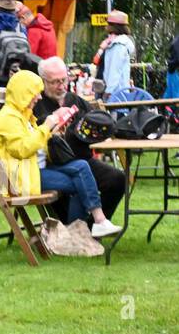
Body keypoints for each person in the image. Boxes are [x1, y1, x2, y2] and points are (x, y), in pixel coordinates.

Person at [0, 70, 122, 238]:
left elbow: (33, 143)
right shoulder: (8, 118)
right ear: (23, 94)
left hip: (33, 170)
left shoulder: (21, 115)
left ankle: (94, 223)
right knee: (79, 181)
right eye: (35, 94)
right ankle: (82, 231)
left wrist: (53, 132)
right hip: (18, 177)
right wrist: (46, 126)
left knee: (81, 166)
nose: (39, 98)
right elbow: (22, 149)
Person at [32, 56, 125, 222]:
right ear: (43, 81)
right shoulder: (35, 103)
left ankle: (92, 227)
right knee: (73, 183)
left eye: (64, 80)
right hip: (53, 165)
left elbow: (97, 121)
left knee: (117, 179)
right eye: (55, 82)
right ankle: (80, 227)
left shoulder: (74, 99)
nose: (61, 86)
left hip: (83, 160)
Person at [96, 10, 136, 100]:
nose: (106, 26)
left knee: (115, 113)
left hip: (115, 93)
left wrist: (108, 91)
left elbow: (115, 70)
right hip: (114, 91)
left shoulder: (119, 45)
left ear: (114, 26)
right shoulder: (112, 42)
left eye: (109, 24)